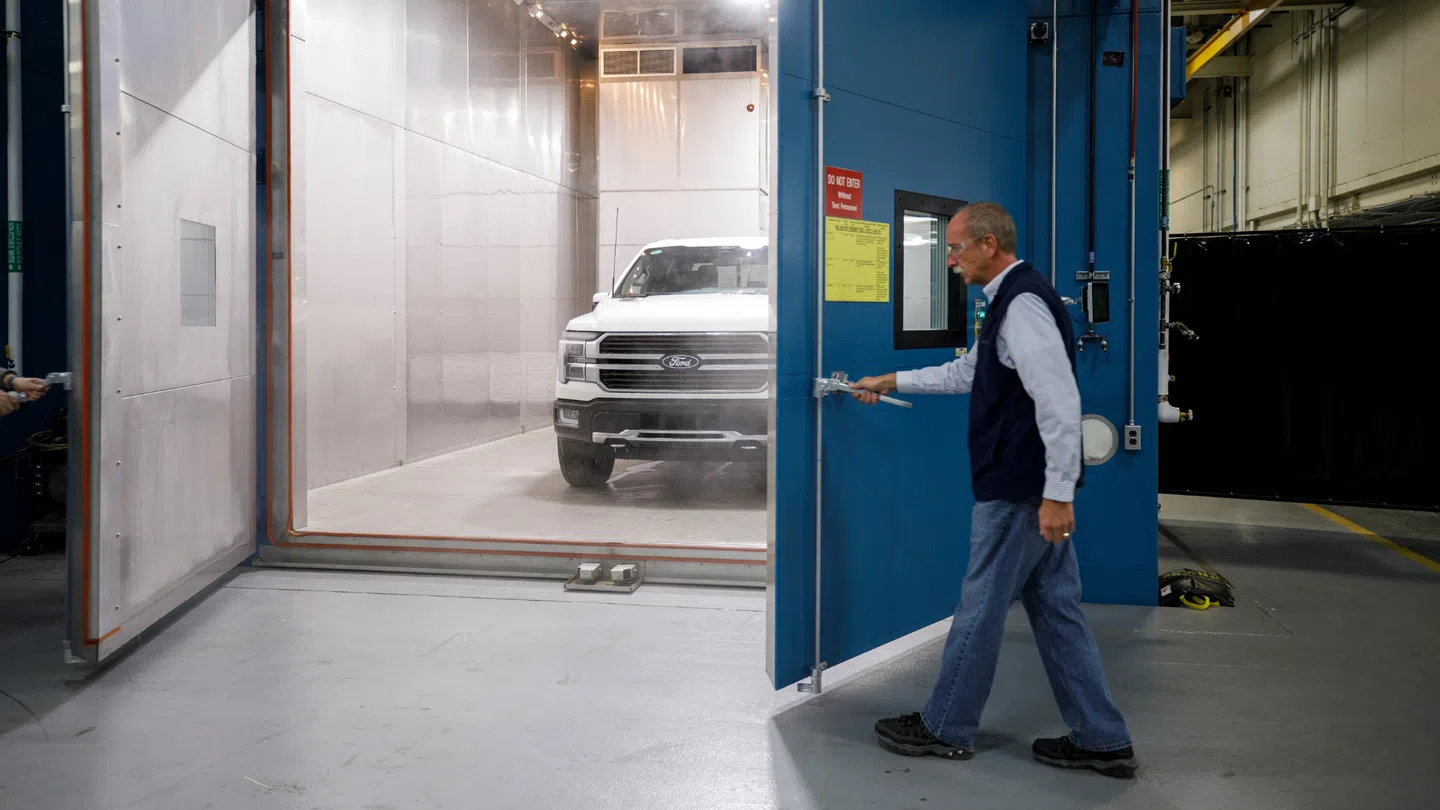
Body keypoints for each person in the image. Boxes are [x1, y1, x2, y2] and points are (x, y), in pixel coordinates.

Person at [848, 202, 1137, 779]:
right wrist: (890, 379)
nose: (950, 259)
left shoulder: (1023, 304)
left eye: (955, 248)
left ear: (987, 245)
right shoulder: (1006, 301)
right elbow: (968, 374)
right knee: (1056, 610)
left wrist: (1058, 495)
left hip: (1021, 491)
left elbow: (1058, 403)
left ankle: (945, 726)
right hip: (1030, 487)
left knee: (980, 607)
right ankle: (1102, 738)